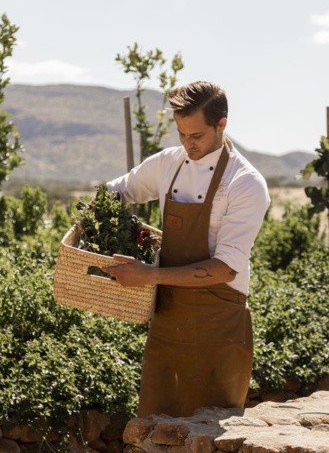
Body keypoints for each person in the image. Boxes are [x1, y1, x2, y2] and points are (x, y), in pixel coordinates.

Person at [102, 80, 270, 418]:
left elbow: (225, 267)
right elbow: (118, 191)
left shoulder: (245, 183)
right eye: (181, 134)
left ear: (221, 124)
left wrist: (149, 276)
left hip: (218, 325)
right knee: (154, 429)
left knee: (210, 442)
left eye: (196, 136)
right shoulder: (169, 163)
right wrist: (94, 218)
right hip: (167, 320)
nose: (187, 144)